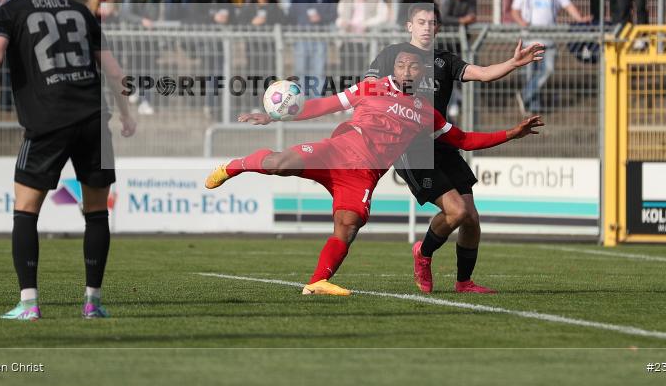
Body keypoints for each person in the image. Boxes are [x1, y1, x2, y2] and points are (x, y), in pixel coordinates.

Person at [205, 48, 544, 296]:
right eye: (401, 64)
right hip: (337, 152)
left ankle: (317, 281)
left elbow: (464, 140)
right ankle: (234, 166)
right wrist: (274, 115)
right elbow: (326, 104)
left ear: (422, 73)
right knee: (280, 164)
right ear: (393, 68)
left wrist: (511, 133)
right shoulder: (371, 87)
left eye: (413, 66)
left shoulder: (426, 112)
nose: (406, 70)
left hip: (363, 175)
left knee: (348, 224)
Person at [0, 0, 136, 321]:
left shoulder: (8, 11)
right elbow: (115, 70)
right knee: (96, 212)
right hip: (93, 119)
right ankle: (93, 303)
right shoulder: (80, 11)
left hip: (48, 120)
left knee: (25, 210)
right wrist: (126, 114)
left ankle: (29, 303)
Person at [365, 4, 545, 294]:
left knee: (471, 218)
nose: (426, 27)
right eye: (420, 21)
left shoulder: (444, 61)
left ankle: (464, 282)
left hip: (444, 141)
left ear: (438, 28)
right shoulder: (392, 56)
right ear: (409, 26)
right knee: (457, 211)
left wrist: (512, 63)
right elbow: (369, 89)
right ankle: (423, 253)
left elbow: (483, 73)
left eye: (431, 22)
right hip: (412, 149)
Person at [511, 0, 592, 114]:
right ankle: (533, 106)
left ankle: (525, 94)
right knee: (530, 74)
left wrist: (580, 19)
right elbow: (514, 11)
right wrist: (522, 22)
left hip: (549, 40)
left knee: (548, 70)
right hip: (530, 40)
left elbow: (568, 6)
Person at [191, 0, 233, 116]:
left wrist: (228, 17)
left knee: (219, 73)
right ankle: (210, 104)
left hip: (222, 41)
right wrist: (213, 18)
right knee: (212, 73)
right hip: (205, 40)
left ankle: (217, 104)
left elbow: (232, 13)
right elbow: (194, 17)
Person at [337, 0, 389, 84]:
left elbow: (383, 16)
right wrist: (343, 23)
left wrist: (367, 24)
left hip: (365, 41)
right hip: (347, 39)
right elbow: (339, 16)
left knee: (362, 72)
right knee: (346, 71)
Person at [290, 0, 336, 97]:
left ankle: (316, 102)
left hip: (319, 38)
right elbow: (291, 16)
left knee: (318, 71)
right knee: (301, 70)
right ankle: (302, 100)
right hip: (302, 38)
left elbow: (333, 14)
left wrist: (321, 18)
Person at [121, 0, 163, 116]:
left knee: (148, 72)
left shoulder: (154, 0)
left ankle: (145, 102)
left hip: (149, 44)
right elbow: (126, 15)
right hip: (134, 43)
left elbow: (153, 16)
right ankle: (136, 92)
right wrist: (141, 21)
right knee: (135, 69)